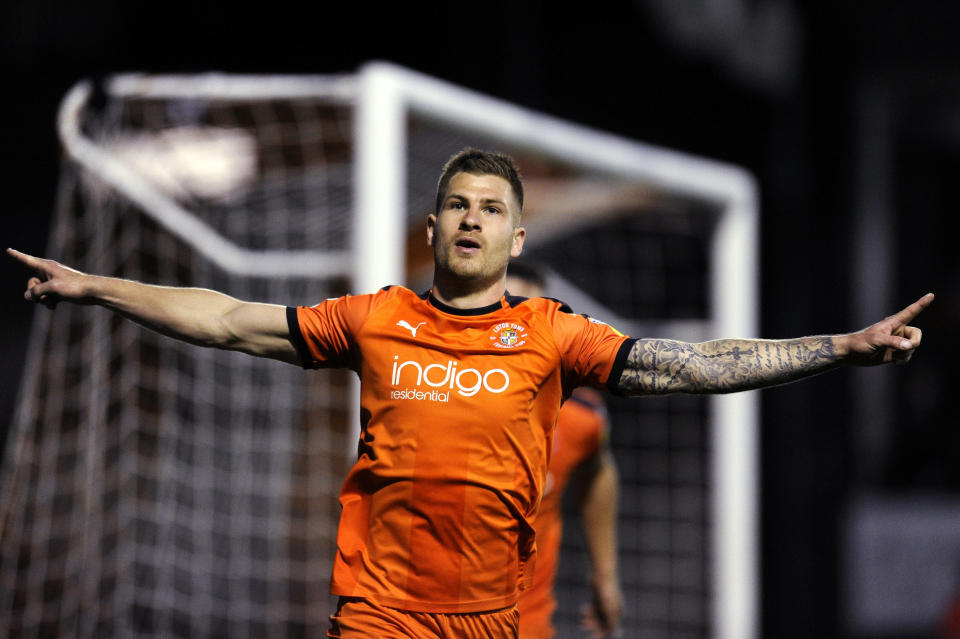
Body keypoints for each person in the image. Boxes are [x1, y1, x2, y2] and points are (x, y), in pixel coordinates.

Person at [8, 148, 932, 639]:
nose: (472, 219)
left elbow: (690, 364)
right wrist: (99, 286)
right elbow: (223, 316)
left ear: (517, 238)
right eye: (458, 204)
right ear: (433, 224)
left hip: (494, 620)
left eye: (492, 208)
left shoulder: (552, 336)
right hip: (379, 611)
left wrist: (839, 348)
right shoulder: (372, 319)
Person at [505, 260, 622, 639]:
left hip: (524, 623)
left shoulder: (580, 416)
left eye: (531, 318)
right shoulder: (430, 393)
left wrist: (604, 575)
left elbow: (597, 471)